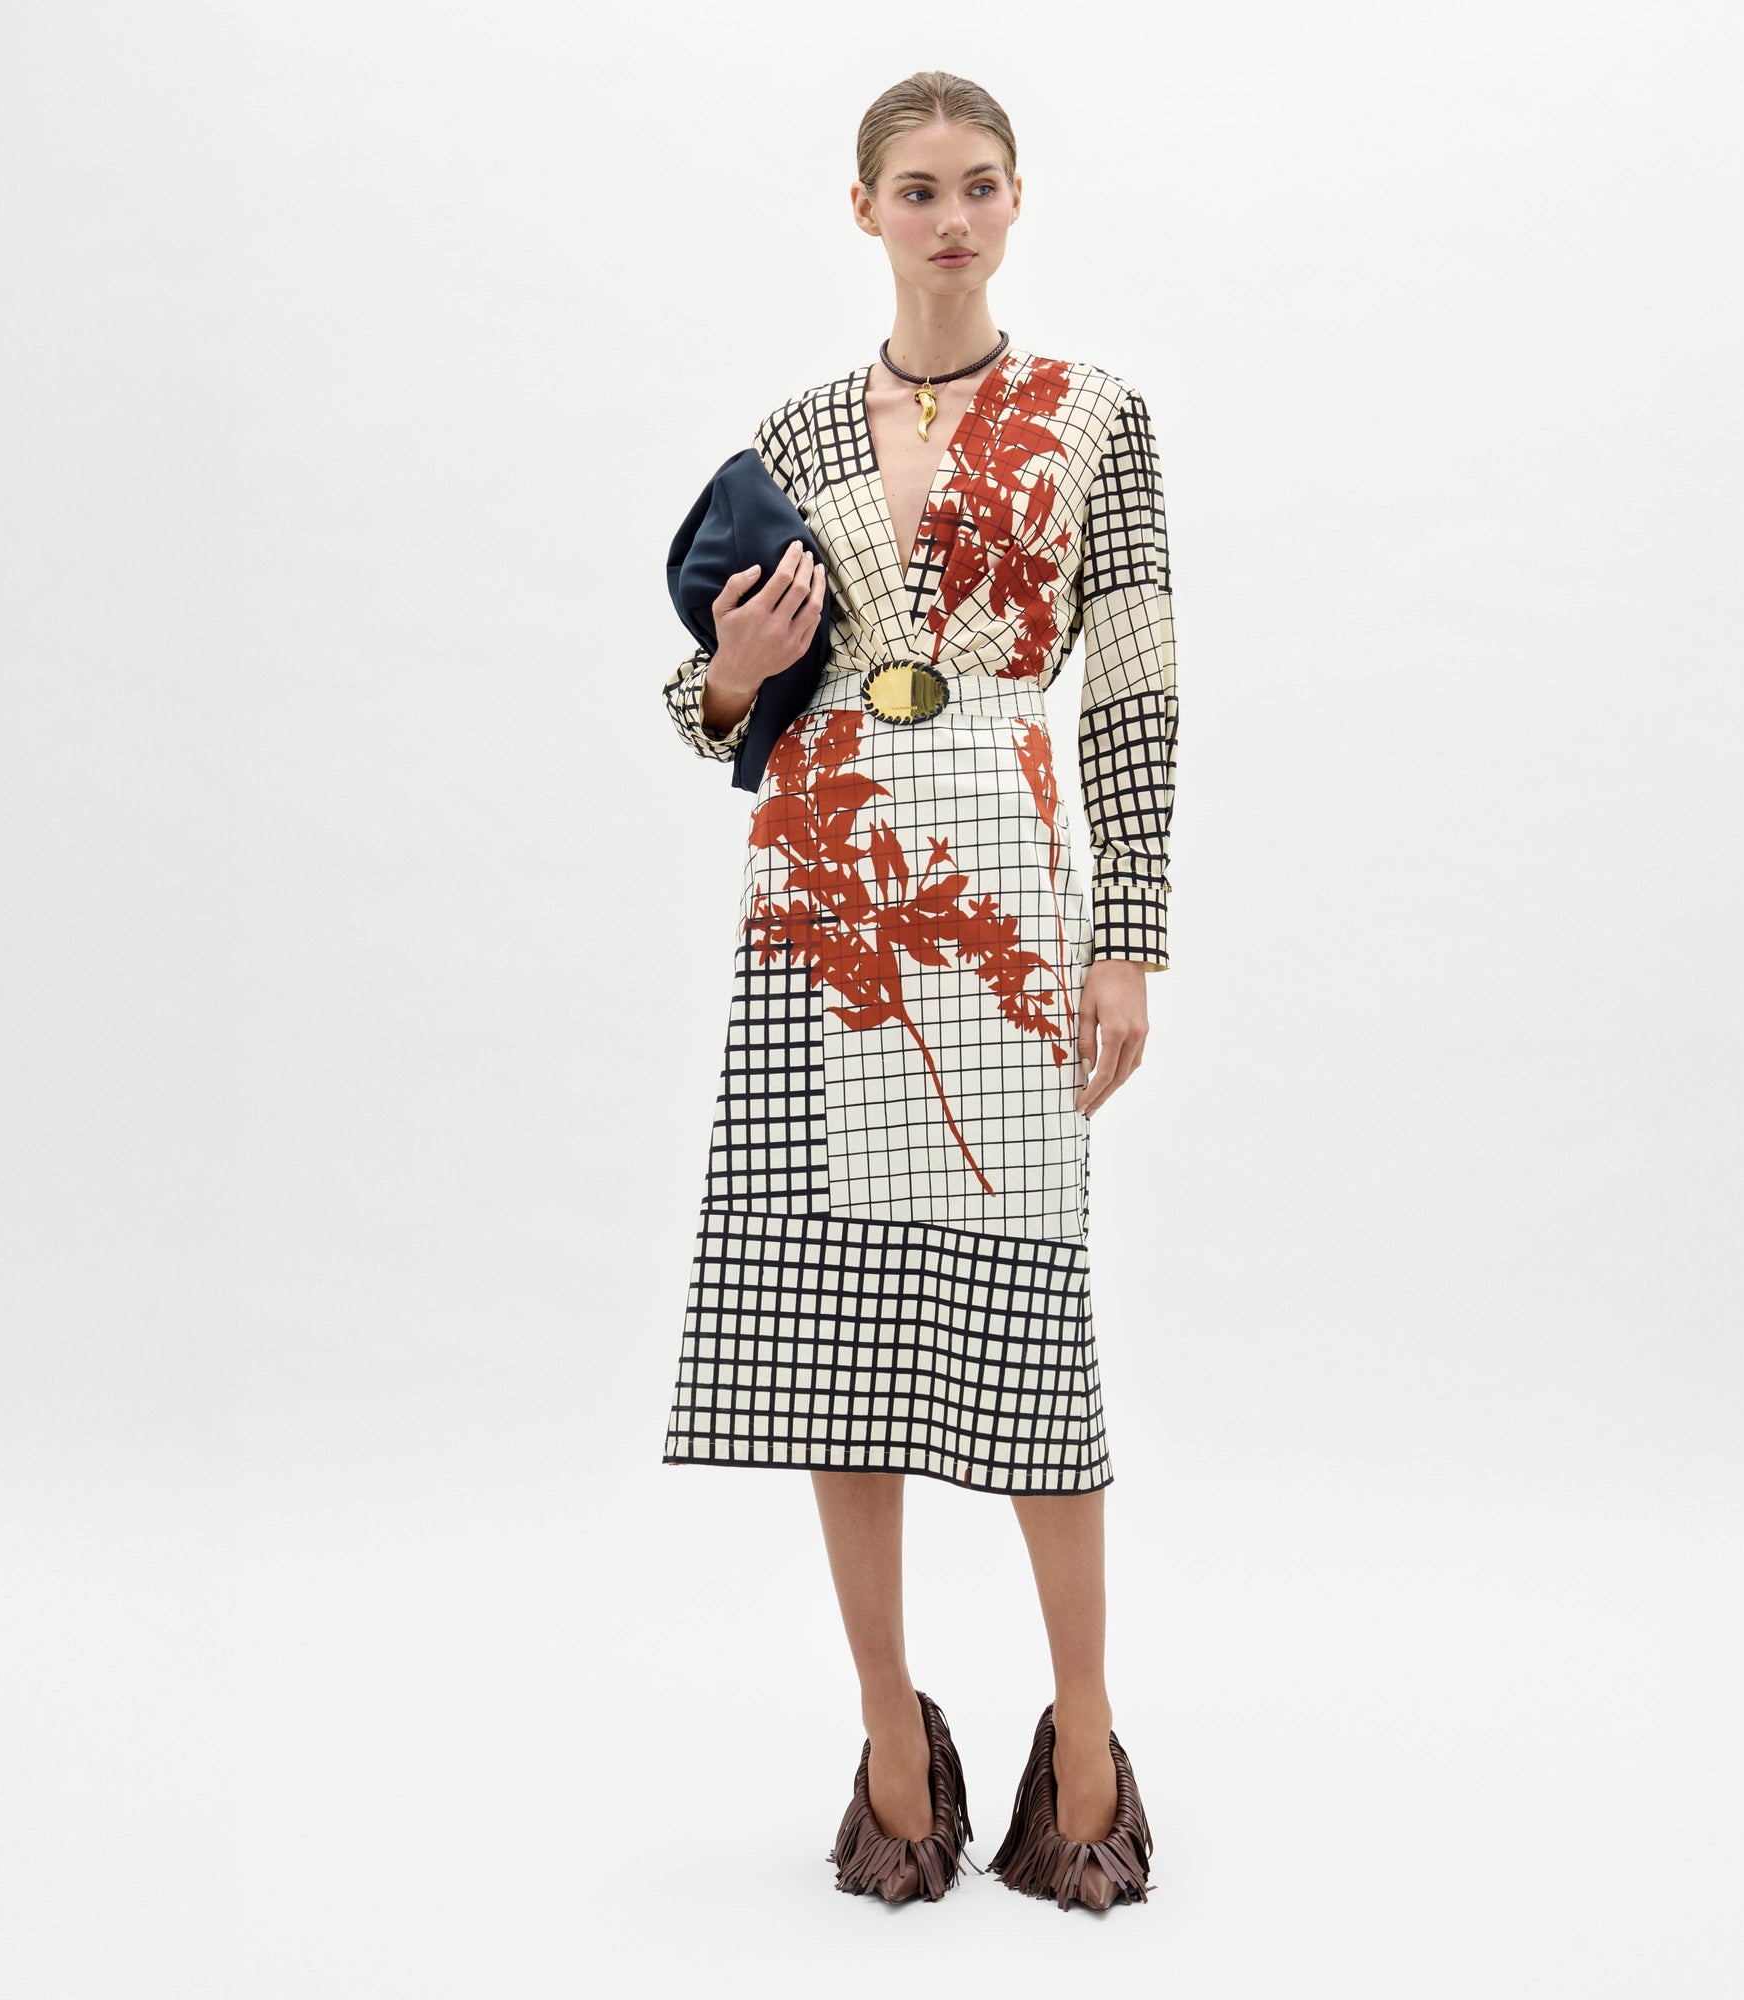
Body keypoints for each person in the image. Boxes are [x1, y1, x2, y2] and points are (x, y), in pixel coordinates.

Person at [658, 70, 1179, 1912]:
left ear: (1019, 203)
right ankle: (890, 1731)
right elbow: (704, 711)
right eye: (914, 190)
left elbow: (1132, 689)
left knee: (1037, 1316)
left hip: (1008, 888)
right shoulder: (792, 430)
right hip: (823, 885)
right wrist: (729, 677)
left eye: (976, 188)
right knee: (829, 1326)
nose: (947, 218)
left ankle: (1087, 1734)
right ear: (864, 210)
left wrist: (1131, 935)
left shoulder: (1097, 415)